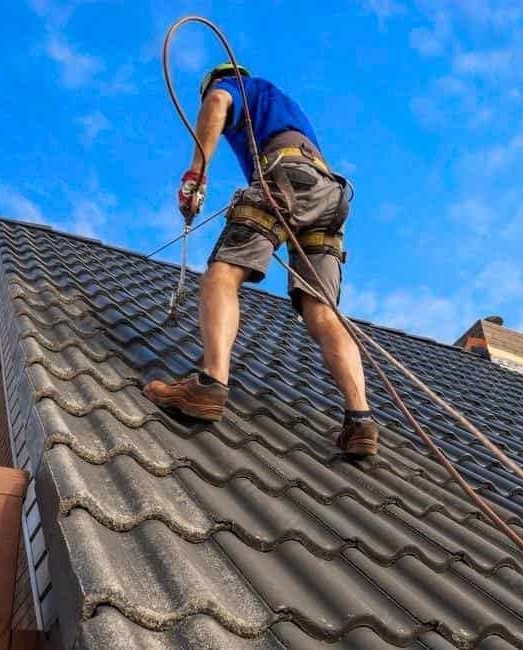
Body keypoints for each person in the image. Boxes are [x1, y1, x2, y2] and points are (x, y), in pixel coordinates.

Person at [144, 63, 379, 457]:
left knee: (223, 274)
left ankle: (211, 384)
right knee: (321, 312)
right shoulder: (281, 105)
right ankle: (360, 421)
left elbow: (218, 102)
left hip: (287, 179)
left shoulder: (234, 88)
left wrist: (196, 176)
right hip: (329, 195)